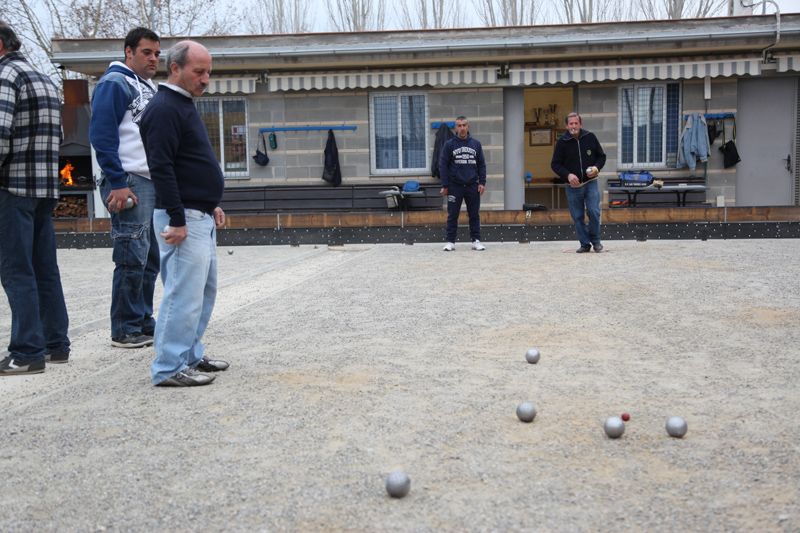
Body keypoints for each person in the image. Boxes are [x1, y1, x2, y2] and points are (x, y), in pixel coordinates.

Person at [139, 40, 229, 387]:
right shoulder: (164, 108)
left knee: (202, 292)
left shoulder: (183, 104)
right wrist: (177, 218)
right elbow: (161, 167)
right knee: (182, 294)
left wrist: (210, 202)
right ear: (175, 68)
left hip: (198, 214)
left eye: (208, 72)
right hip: (183, 219)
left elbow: (188, 163)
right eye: (199, 72)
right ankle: (168, 367)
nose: (205, 79)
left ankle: (189, 355)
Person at [0, 21, 70, 375]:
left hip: (12, 188)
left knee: (16, 270)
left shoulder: (5, 76)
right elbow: (58, 134)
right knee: (45, 268)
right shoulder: (43, 77)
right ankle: (56, 344)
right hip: (44, 189)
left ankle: (27, 352)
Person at [90, 27, 161, 349]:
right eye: (147, 52)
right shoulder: (114, 83)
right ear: (128, 52)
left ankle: (143, 321)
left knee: (148, 258)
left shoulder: (146, 86)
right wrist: (117, 182)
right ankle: (125, 328)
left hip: (148, 180)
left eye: (157, 54)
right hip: (129, 180)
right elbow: (102, 136)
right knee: (131, 255)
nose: (153, 59)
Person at [551, 112, 607, 253]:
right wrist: (568, 175)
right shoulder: (562, 143)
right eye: (571, 124)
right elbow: (555, 164)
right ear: (566, 126)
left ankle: (596, 242)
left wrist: (596, 168)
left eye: (576, 123)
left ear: (580, 124)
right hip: (573, 186)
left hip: (591, 183)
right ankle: (585, 244)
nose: (573, 126)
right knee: (577, 216)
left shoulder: (590, 137)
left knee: (594, 212)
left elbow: (601, 157)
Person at [438, 116, 487, 252]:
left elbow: (482, 164)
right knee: (452, 214)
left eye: (464, 125)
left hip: (472, 185)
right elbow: (443, 165)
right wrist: (445, 185)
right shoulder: (449, 145)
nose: (462, 128)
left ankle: (476, 240)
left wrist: (482, 182)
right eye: (459, 125)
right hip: (455, 186)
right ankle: (450, 241)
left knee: (474, 214)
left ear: (468, 126)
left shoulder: (476, 144)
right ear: (455, 128)